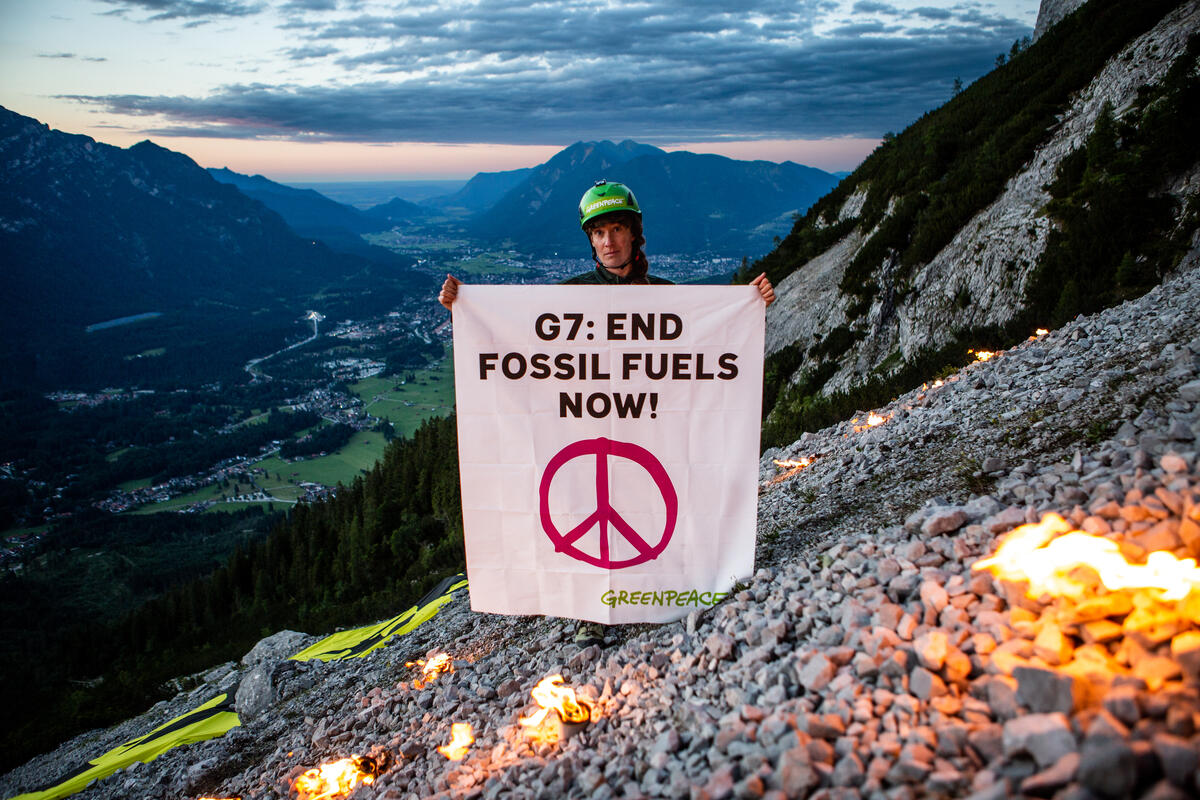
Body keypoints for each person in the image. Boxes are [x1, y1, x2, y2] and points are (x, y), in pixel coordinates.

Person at [438, 180, 774, 646]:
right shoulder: (569, 297)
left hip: (650, 427)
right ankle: (591, 612)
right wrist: (466, 307)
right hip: (584, 426)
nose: (608, 242)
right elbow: (520, 340)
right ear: (590, 240)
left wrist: (751, 305)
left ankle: (666, 591)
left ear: (635, 234)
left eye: (617, 229)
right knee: (589, 504)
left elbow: (706, 347)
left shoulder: (666, 296)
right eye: (597, 233)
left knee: (644, 503)